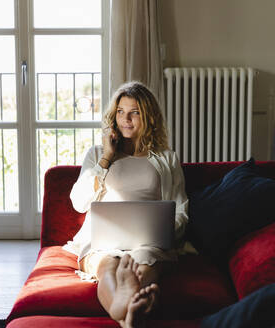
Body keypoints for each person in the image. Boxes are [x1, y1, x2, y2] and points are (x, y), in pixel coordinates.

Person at [63, 81, 189, 328]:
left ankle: (124, 313)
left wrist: (166, 233)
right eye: (120, 112)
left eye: (134, 112)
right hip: (103, 241)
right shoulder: (97, 153)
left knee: (144, 262)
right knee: (108, 264)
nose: (126, 119)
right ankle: (127, 312)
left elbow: (181, 209)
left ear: (149, 118)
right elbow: (79, 202)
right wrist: (107, 158)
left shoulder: (166, 158)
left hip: (149, 241)